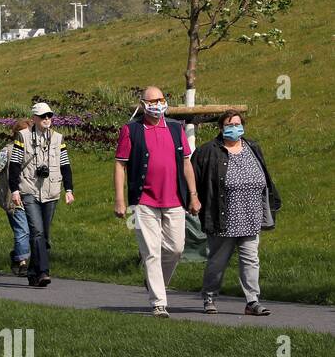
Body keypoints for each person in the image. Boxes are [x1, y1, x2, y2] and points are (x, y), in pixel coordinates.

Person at [114, 86, 201, 318]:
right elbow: (120, 165)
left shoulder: (175, 128)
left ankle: (154, 282)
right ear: (142, 104)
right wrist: (120, 200)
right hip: (142, 202)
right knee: (151, 251)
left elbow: (186, 163)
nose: (157, 104)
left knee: (176, 248)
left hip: (174, 200)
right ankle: (159, 303)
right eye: (152, 100)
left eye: (161, 99)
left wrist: (193, 195)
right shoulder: (131, 130)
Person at [191, 110, 280, 317]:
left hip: (250, 216)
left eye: (237, 124)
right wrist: (193, 200)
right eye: (229, 125)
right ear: (221, 128)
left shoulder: (253, 148)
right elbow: (193, 178)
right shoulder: (209, 151)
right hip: (223, 218)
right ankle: (210, 297)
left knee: (251, 259)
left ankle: (252, 301)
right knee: (218, 261)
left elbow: (264, 177)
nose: (234, 128)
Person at [8, 102, 75, 288]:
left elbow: (65, 165)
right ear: (34, 119)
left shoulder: (58, 138)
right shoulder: (23, 136)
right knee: (36, 230)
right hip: (28, 190)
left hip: (51, 191)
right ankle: (44, 271)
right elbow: (14, 166)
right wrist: (14, 190)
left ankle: (32, 273)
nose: (47, 119)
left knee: (44, 235)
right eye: (43, 116)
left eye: (49, 116)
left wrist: (68, 189)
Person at [0, 118, 32, 277]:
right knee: (22, 230)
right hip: (14, 198)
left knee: (31, 230)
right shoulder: (7, 150)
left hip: (33, 196)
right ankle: (22, 262)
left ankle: (17, 255)